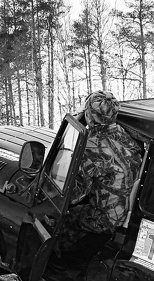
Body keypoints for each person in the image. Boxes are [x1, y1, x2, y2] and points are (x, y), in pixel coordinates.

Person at [57, 91, 144, 261]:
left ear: (90, 115)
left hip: (108, 218)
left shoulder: (91, 147)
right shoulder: (124, 134)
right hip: (130, 210)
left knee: (65, 219)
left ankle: (63, 265)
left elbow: (75, 194)